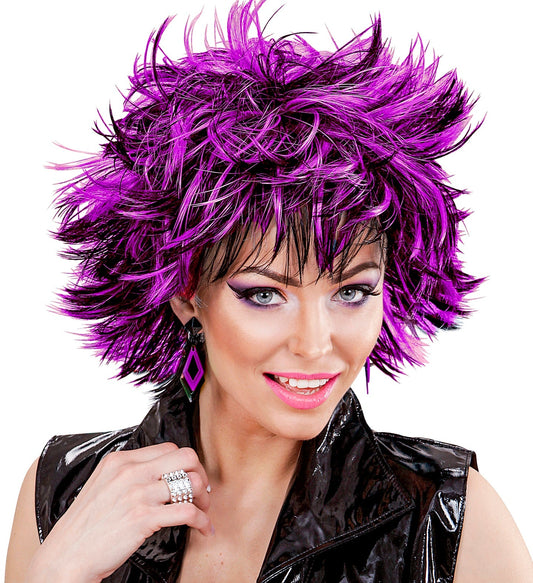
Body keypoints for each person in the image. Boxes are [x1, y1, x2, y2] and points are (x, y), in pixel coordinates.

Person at [5, 1, 533, 581]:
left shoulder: (450, 521)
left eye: (352, 292)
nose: (314, 344)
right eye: (264, 295)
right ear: (185, 292)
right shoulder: (63, 493)